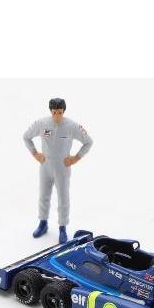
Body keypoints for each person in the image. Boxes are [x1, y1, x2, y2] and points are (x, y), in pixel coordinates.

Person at [23, 98, 93, 243]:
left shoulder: (71, 126)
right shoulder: (42, 123)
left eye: (60, 112)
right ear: (51, 111)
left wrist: (76, 158)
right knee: (43, 195)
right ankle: (43, 222)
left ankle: (62, 227)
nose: (57, 116)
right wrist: (35, 154)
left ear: (63, 111)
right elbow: (26, 137)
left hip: (62, 168)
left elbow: (88, 141)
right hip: (45, 166)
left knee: (63, 198)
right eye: (54, 112)